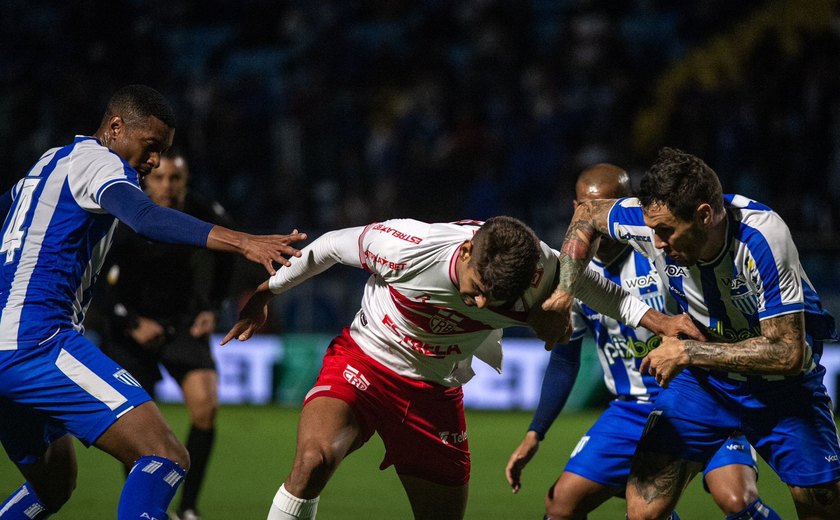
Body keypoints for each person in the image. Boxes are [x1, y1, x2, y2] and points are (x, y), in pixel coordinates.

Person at [222, 215, 706, 520]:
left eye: (489, 298)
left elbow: (600, 290)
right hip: (366, 363)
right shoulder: (408, 246)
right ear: (469, 249)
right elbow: (328, 246)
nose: (476, 301)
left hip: (435, 392)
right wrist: (268, 293)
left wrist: (659, 320)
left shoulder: (542, 270)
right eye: (475, 286)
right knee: (312, 463)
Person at [0, 84, 305, 520]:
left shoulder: (49, 162)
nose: (156, 161)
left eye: (163, 151)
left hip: (6, 347)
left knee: (53, 487)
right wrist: (244, 242)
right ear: (116, 127)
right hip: (38, 342)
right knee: (166, 455)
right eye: (151, 146)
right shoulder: (99, 162)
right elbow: (143, 217)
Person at [541, 148, 840, 518]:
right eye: (653, 231)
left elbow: (787, 352)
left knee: (821, 508)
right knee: (643, 511)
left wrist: (687, 353)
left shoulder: (762, 237)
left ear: (704, 215)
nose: (658, 243)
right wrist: (567, 288)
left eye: (666, 231)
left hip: (782, 387)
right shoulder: (647, 222)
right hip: (704, 384)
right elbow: (586, 214)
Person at [505, 164, 780, 520]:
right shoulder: (572, 273)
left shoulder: (667, 249)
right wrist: (535, 432)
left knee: (736, 499)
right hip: (630, 407)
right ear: (578, 209)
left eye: (612, 206)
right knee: (561, 505)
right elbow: (564, 358)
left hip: (696, 395)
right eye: (592, 208)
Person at [98, 149, 234, 520]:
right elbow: (97, 281)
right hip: (129, 327)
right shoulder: (125, 215)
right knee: (136, 427)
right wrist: (131, 322)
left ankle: (188, 508)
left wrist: (212, 307)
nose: (167, 186)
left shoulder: (204, 211)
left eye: (175, 179)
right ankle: (145, 510)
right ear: (147, 180)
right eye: (160, 178)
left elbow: (229, 258)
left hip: (181, 322)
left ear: (186, 181)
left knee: (206, 406)